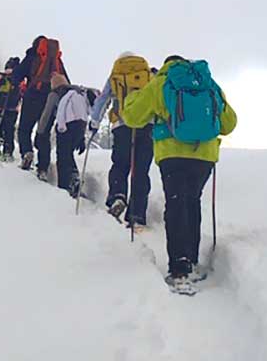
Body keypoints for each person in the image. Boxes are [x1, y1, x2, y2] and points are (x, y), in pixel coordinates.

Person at [122, 54, 237, 295]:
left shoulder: (162, 82)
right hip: (204, 155)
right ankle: (192, 261)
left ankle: (179, 268)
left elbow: (133, 117)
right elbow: (229, 123)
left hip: (172, 153)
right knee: (191, 201)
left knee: (176, 203)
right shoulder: (208, 83)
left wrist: (131, 96)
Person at [89, 52, 155, 228]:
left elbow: (102, 100)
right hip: (147, 126)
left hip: (122, 125)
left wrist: (94, 123)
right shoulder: (148, 74)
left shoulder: (116, 75)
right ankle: (137, 215)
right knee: (141, 170)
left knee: (120, 164)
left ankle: (118, 195)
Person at [11, 36, 68, 172]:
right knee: (44, 134)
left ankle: (27, 153)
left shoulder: (32, 56)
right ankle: (43, 168)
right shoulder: (57, 61)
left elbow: (16, 76)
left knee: (24, 129)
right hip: (51, 99)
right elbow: (66, 82)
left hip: (32, 97)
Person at [38, 72, 93, 196]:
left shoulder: (56, 93)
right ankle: (74, 179)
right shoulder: (78, 92)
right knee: (68, 154)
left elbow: (48, 114)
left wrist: (41, 131)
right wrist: (82, 138)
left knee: (62, 156)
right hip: (80, 126)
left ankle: (65, 186)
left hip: (66, 126)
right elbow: (83, 114)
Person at [0, 57, 25, 161]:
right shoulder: (20, 80)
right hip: (13, 109)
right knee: (9, 129)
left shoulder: (1, 76)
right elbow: (23, 92)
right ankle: (8, 151)